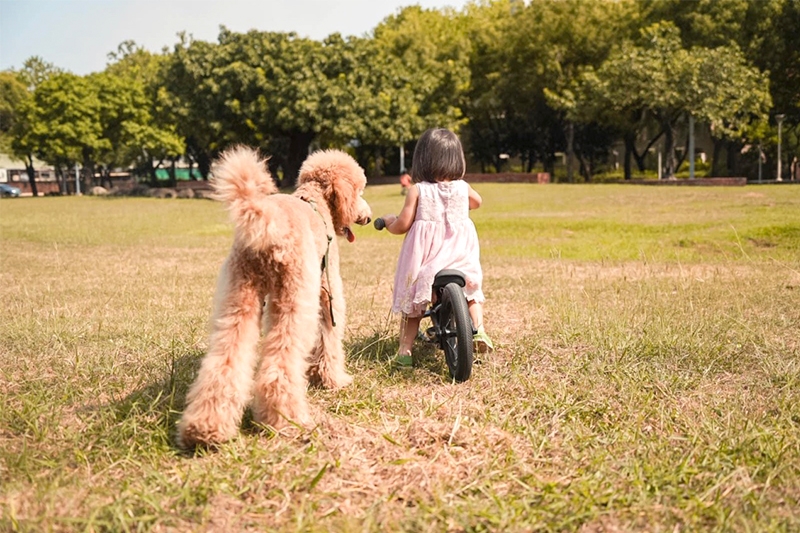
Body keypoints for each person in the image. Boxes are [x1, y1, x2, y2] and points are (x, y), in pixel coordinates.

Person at [380, 128, 493, 369]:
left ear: (422, 159)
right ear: (457, 159)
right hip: (460, 259)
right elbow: (478, 202)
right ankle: (479, 331)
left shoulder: (418, 190)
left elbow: (403, 225)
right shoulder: (463, 188)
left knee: (414, 304)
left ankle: (405, 351)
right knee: (471, 292)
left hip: (429, 261)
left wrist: (389, 222)